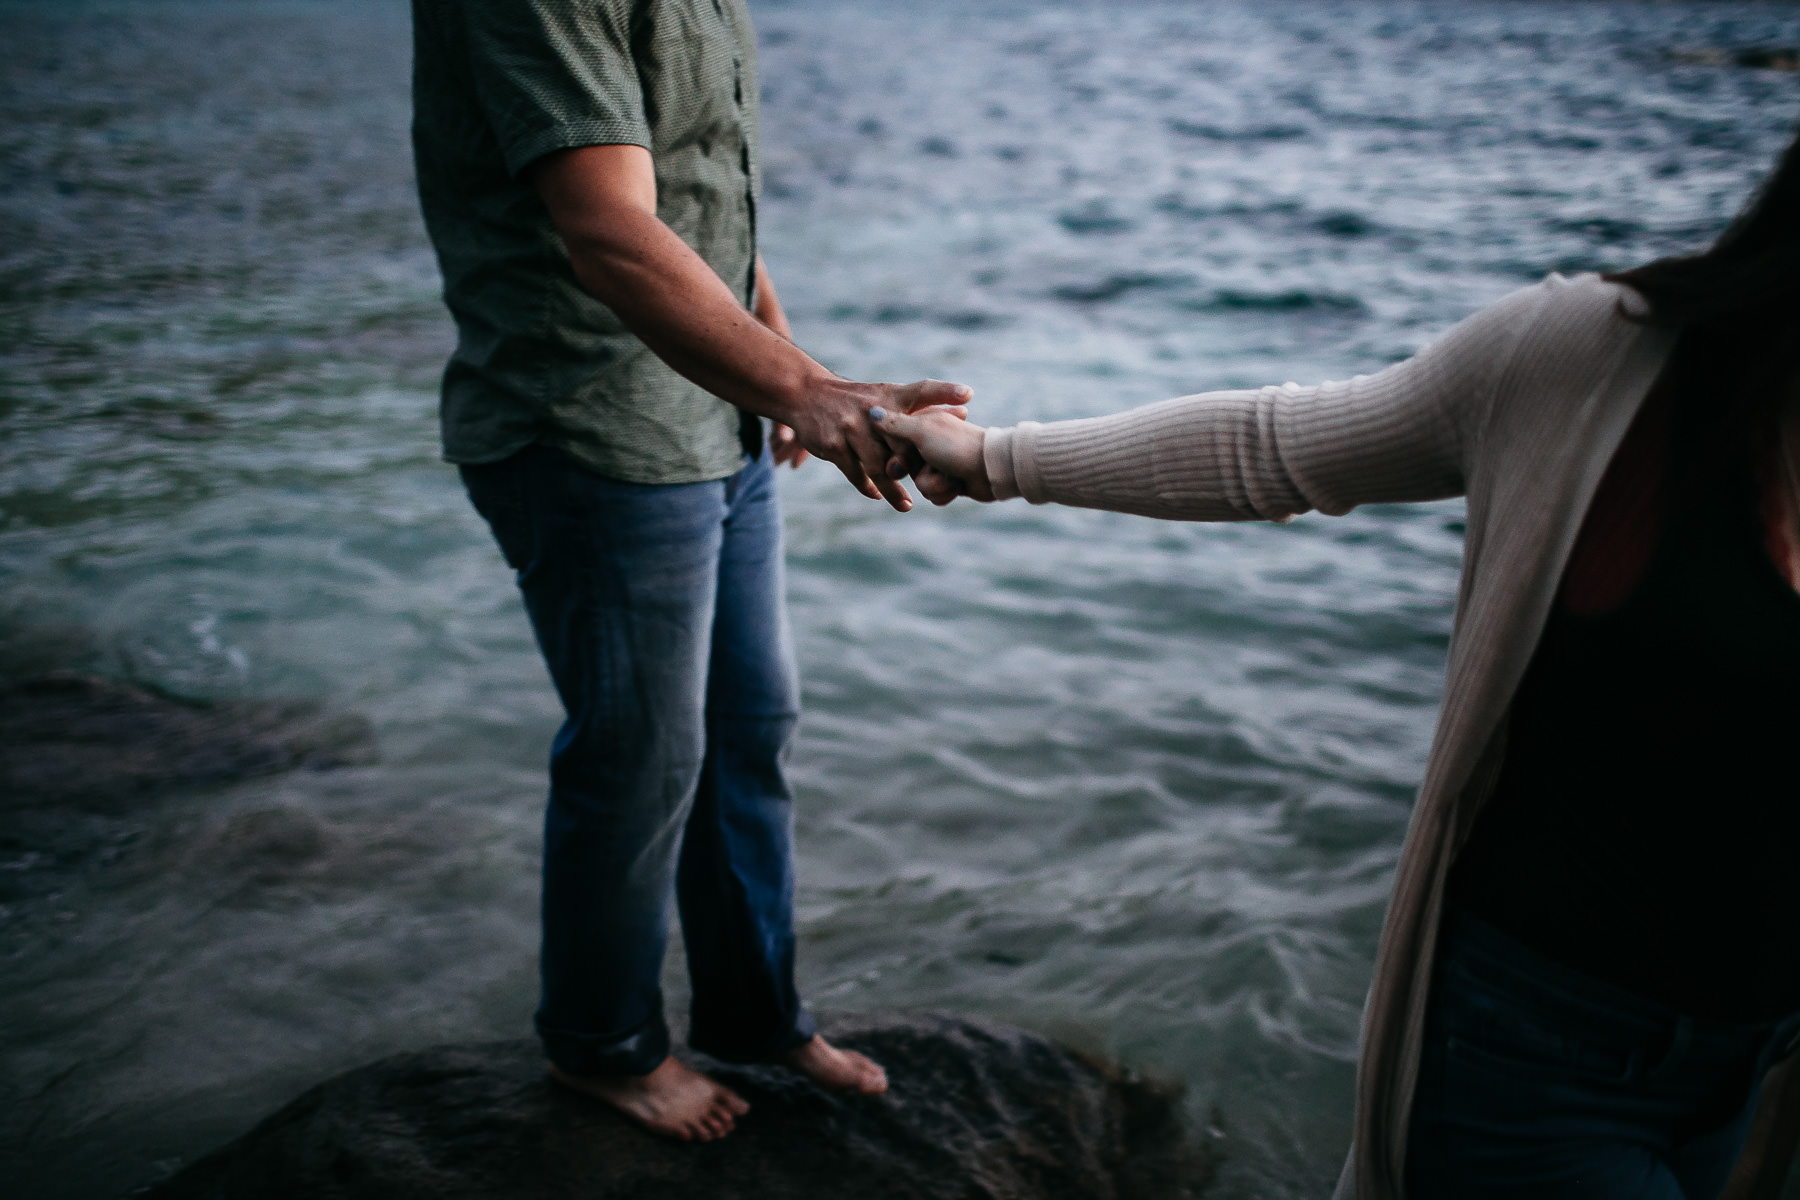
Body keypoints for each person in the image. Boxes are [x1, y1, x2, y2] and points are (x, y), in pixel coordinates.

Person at [877, 129, 1800, 1199]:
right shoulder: (1594, 357)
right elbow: (1278, 446)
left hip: (1750, 1062)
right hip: (1535, 1058)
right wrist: (994, 459)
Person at [409, 0, 968, 1144]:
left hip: (718, 413)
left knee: (749, 725)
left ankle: (755, 1018)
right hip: (592, 425)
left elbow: (701, 190)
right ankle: (603, 1046)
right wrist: (806, 390)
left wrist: (785, 366)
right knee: (640, 758)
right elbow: (611, 229)